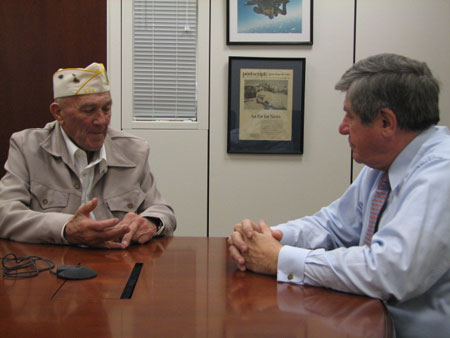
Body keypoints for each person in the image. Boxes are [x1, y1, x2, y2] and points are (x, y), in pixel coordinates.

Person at [228, 54, 450, 337]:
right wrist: (267, 238)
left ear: (386, 122)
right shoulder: (383, 166)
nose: (342, 127)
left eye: (350, 116)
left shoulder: (442, 172)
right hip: (370, 323)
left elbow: (389, 270)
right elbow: (333, 225)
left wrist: (281, 259)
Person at [0, 62, 176, 249]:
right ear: (58, 113)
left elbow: (162, 210)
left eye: (106, 109)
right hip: (52, 266)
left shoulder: (134, 150)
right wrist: (65, 228)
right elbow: (4, 213)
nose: (101, 121)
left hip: (116, 266)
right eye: (89, 110)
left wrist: (150, 222)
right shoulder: (27, 147)